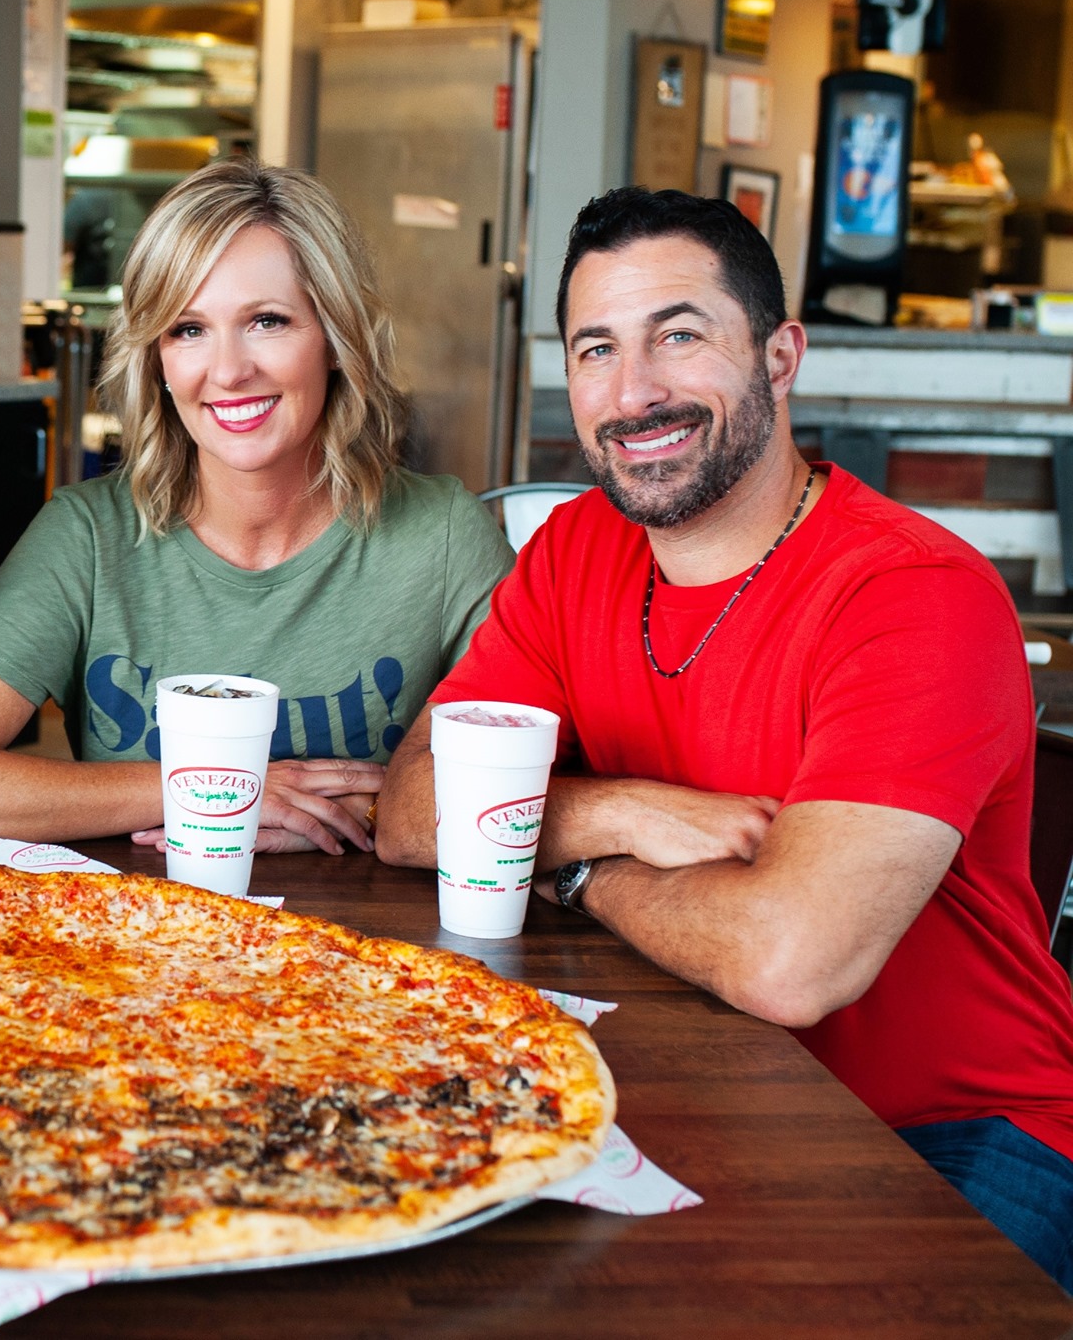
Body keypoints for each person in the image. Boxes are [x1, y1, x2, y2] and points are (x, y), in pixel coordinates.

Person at [374, 186, 1073, 1290]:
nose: (633, 390)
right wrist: (614, 811)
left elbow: (785, 963)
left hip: (952, 1131)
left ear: (780, 354)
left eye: (679, 335)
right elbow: (409, 812)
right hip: (684, 1082)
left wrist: (575, 870)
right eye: (596, 348)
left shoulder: (913, 594)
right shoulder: (571, 553)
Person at [0, 158, 515, 853]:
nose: (228, 370)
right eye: (187, 329)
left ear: (335, 337)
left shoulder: (443, 536)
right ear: (156, 359)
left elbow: (536, 779)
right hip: (144, 945)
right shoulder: (89, 537)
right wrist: (219, 788)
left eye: (267, 320)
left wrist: (375, 808)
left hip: (387, 951)